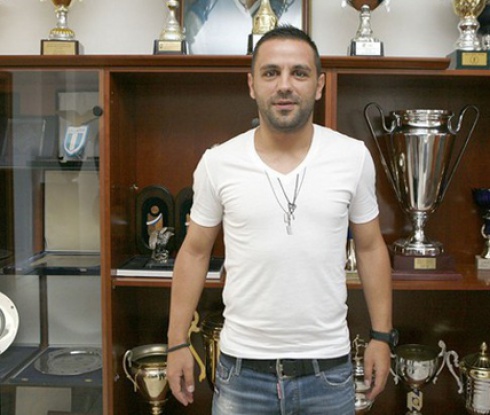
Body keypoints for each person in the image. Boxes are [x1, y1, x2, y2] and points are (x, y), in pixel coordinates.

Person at [167, 25, 394, 415]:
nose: (284, 85)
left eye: (299, 73)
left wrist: (382, 336)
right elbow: (194, 253)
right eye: (271, 73)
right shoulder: (218, 162)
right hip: (242, 374)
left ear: (319, 85)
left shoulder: (352, 157)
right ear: (252, 84)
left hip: (328, 372)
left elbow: (371, 248)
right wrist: (176, 342)